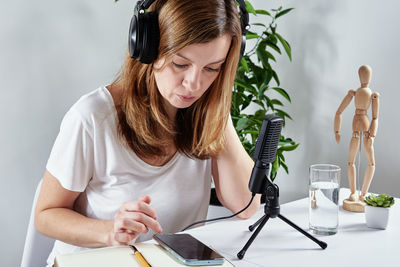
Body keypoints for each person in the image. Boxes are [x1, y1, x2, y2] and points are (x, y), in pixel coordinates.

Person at [34, 0, 260, 266]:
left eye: (212, 68)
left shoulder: (205, 117)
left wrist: (218, 110)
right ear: (149, 47)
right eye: (180, 64)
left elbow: (246, 206)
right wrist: (110, 232)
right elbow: (46, 214)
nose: (194, 84)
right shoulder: (93, 117)